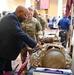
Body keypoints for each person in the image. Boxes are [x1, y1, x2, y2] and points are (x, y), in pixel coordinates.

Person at [0, 5, 42, 75]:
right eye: (25, 15)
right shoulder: (10, 19)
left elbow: (15, 35)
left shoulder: (14, 18)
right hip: (2, 50)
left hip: (6, 52)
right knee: (1, 69)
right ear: (19, 12)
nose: (26, 18)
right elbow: (20, 34)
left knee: (8, 70)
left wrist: (25, 46)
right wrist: (36, 44)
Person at [20, 7, 42, 74]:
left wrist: (40, 34)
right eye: (28, 14)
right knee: (23, 56)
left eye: (31, 14)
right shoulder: (22, 20)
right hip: (23, 42)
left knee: (33, 57)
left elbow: (40, 29)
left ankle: (31, 69)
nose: (29, 15)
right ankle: (25, 69)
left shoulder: (35, 21)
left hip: (32, 42)